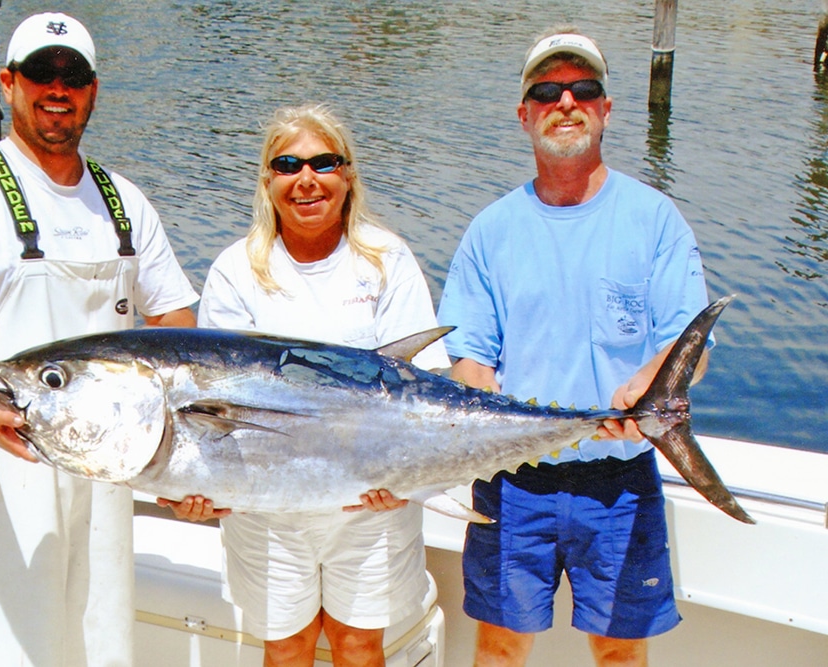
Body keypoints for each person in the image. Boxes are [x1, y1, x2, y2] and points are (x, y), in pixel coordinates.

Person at [0, 12, 198, 666]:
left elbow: (180, 335)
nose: (56, 89)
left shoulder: (126, 206)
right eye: (41, 73)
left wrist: (185, 462)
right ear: (8, 83)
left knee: (101, 646)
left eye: (74, 76)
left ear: (92, 90)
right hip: (5, 470)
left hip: (110, 475)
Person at [436, 27, 712, 667]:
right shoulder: (491, 231)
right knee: (501, 648)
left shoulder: (654, 220)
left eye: (583, 89)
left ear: (606, 108)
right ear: (524, 114)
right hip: (511, 479)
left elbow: (686, 339)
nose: (567, 102)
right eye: (548, 90)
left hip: (620, 480)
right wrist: (484, 399)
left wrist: (648, 381)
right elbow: (471, 353)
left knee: (619, 653)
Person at [186, 103, 448, 666]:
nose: (306, 180)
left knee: (359, 647)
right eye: (287, 165)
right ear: (268, 180)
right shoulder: (237, 270)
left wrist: (407, 476)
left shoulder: (385, 260)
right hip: (266, 508)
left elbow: (426, 393)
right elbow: (217, 410)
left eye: (324, 163)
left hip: (372, 502)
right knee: (286, 649)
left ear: (347, 176)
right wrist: (196, 489)